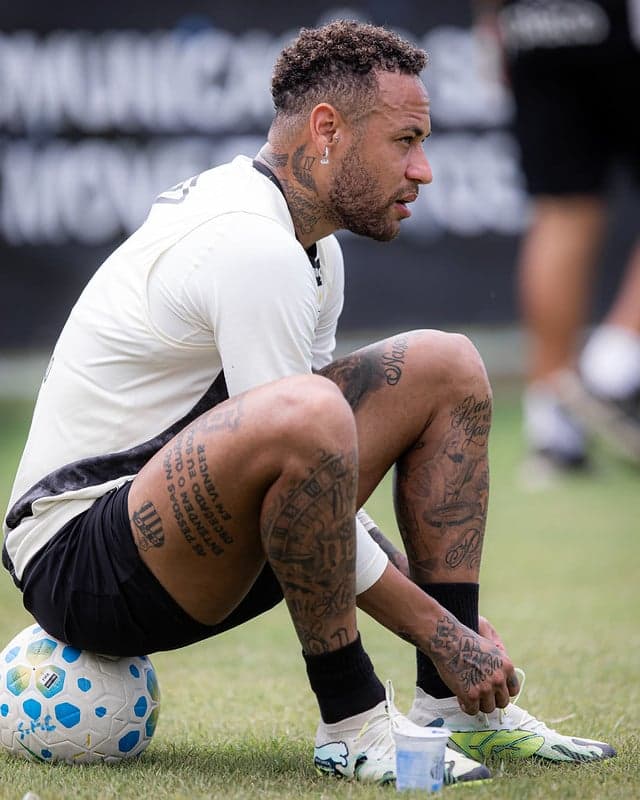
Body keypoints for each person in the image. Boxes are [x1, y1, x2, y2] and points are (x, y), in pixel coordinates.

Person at [2, 20, 615, 785]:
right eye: (406, 140)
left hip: (180, 528)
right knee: (310, 413)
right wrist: (440, 629)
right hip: (77, 563)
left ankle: (449, 708)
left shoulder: (312, 246)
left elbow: (317, 487)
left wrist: (448, 635)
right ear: (326, 130)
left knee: (447, 364)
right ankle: (351, 720)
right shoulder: (250, 243)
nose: (424, 170)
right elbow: (303, 438)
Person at [475, 0, 640, 475]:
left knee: (562, 208)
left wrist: (492, 22)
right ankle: (612, 371)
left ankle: (554, 423)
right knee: (563, 208)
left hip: (528, 20)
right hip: (617, 20)